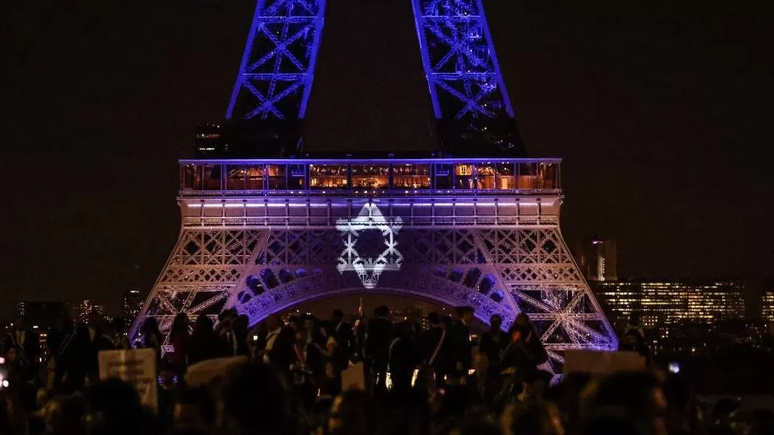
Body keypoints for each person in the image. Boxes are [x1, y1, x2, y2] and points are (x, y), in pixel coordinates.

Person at [3, 315, 40, 383]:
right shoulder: (10, 337)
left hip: (28, 368)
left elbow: (36, 352)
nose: (20, 323)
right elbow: (5, 352)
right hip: (14, 368)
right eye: (18, 321)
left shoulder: (32, 336)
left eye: (22, 321)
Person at [479, 314, 507, 401]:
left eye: (497, 322)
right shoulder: (487, 336)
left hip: (500, 366)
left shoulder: (487, 336)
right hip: (491, 366)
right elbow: (481, 351)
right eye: (494, 322)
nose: (495, 324)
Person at [366, 306, 392, 392]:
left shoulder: (372, 323)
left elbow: (370, 339)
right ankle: (381, 390)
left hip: (374, 352)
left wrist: (368, 352)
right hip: (384, 353)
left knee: (372, 373)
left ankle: (371, 390)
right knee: (382, 373)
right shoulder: (389, 324)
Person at [168, 313, 191, 381]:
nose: (188, 320)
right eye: (186, 318)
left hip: (176, 359)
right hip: (181, 359)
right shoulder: (182, 333)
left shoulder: (175, 332)